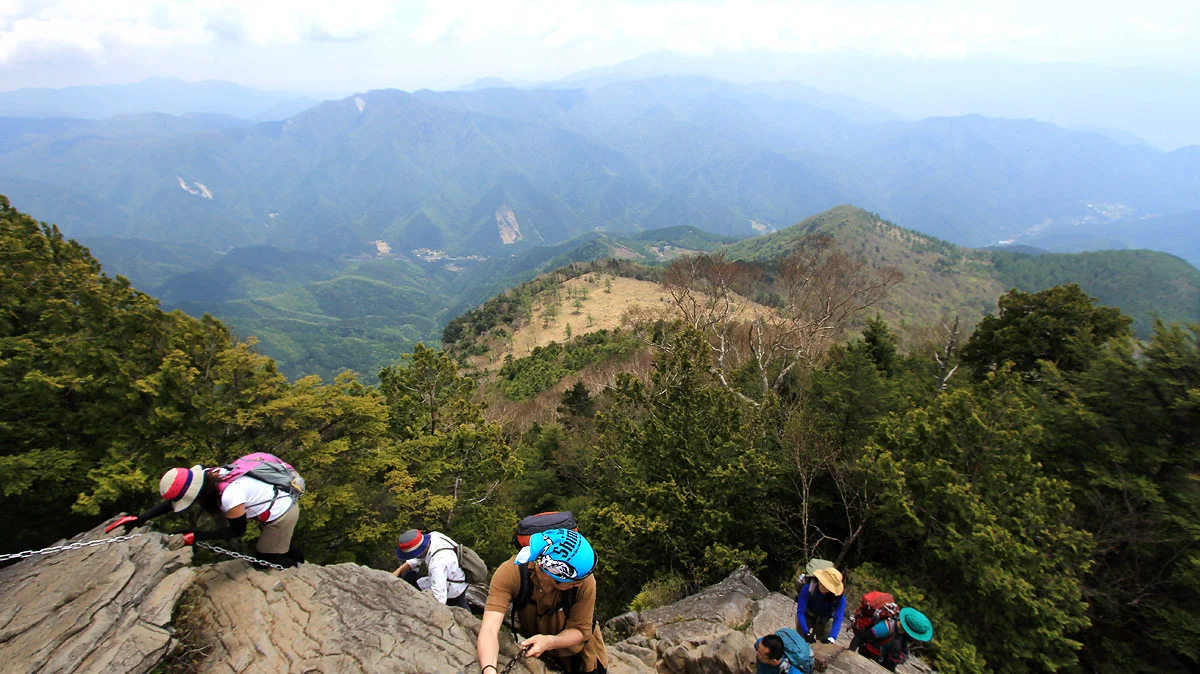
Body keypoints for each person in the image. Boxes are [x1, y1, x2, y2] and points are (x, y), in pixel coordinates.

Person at [107, 459, 303, 568]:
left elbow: (237, 531)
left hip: (281, 513)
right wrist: (141, 519)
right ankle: (293, 556)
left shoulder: (230, 495)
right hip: (271, 505)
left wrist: (196, 536)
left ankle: (299, 570)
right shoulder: (208, 475)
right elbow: (172, 503)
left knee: (265, 559)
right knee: (277, 543)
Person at [476, 528, 608, 674]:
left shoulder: (585, 581)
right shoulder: (511, 573)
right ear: (552, 574)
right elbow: (489, 629)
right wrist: (489, 670)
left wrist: (549, 642)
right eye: (575, 581)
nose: (579, 583)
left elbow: (580, 631)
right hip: (541, 654)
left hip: (579, 656)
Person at [392, 529, 469, 609]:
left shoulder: (437, 564)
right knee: (409, 576)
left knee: (459, 607)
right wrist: (397, 572)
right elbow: (416, 559)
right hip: (458, 575)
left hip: (453, 587)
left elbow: (440, 598)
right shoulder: (434, 536)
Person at [848, 607, 933, 672]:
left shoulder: (903, 636)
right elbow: (861, 637)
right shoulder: (885, 628)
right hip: (868, 656)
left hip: (883, 662)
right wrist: (850, 653)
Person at [796, 566, 847, 644]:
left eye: (826, 585)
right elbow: (800, 612)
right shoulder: (808, 588)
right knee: (799, 640)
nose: (822, 585)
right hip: (807, 614)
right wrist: (806, 632)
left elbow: (838, 618)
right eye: (822, 582)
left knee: (824, 643)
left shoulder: (839, 599)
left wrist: (832, 638)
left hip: (824, 619)